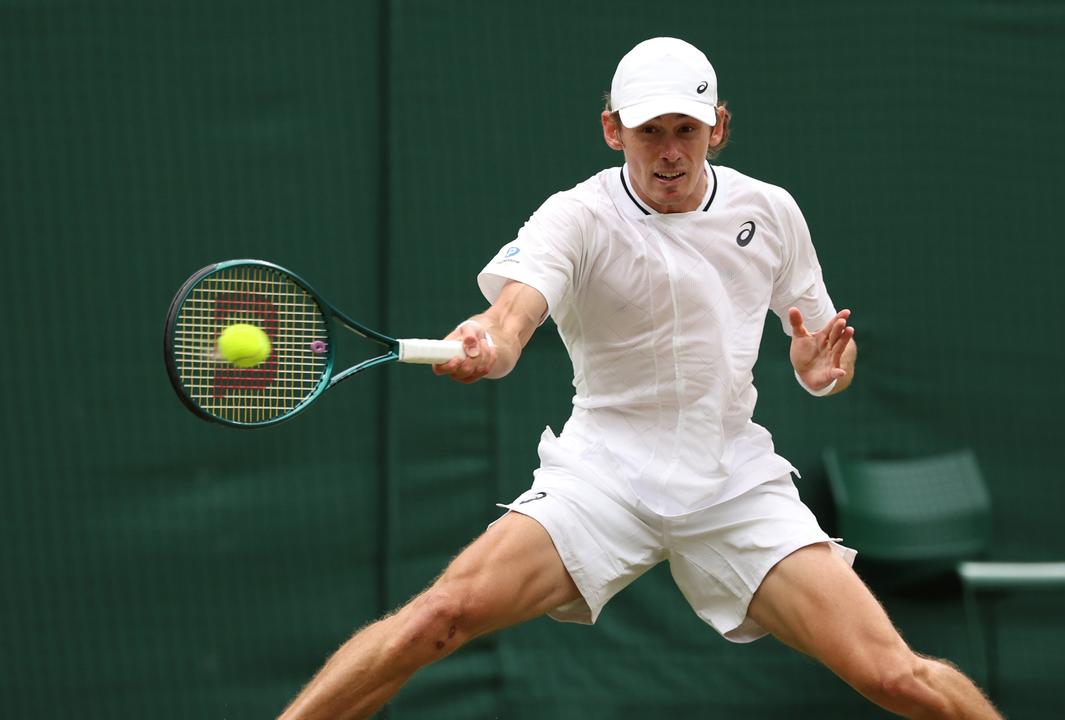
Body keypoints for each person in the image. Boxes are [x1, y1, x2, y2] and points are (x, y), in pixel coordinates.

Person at [279, 37, 1001, 720]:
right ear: (611, 130)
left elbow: (820, 354)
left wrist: (822, 374)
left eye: (685, 130)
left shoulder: (771, 213)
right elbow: (513, 313)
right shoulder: (577, 217)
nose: (668, 152)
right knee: (436, 619)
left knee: (895, 677)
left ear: (717, 127)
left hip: (732, 483)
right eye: (648, 131)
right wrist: (489, 339)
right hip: (605, 476)